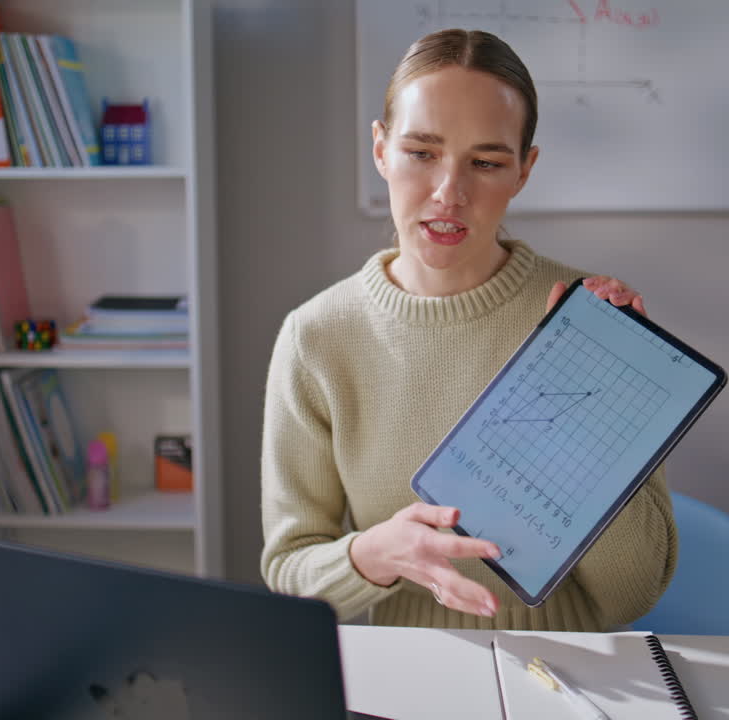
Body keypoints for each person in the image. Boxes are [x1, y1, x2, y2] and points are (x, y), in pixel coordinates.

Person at [260, 28, 676, 630]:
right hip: (400, 674)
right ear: (380, 150)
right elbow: (290, 572)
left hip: (562, 671)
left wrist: (602, 426)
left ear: (524, 171)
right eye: (421, 152)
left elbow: (632, 595)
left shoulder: (588, 324)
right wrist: (374, 554)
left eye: (485, 162)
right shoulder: (316, 338)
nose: (449, 193)